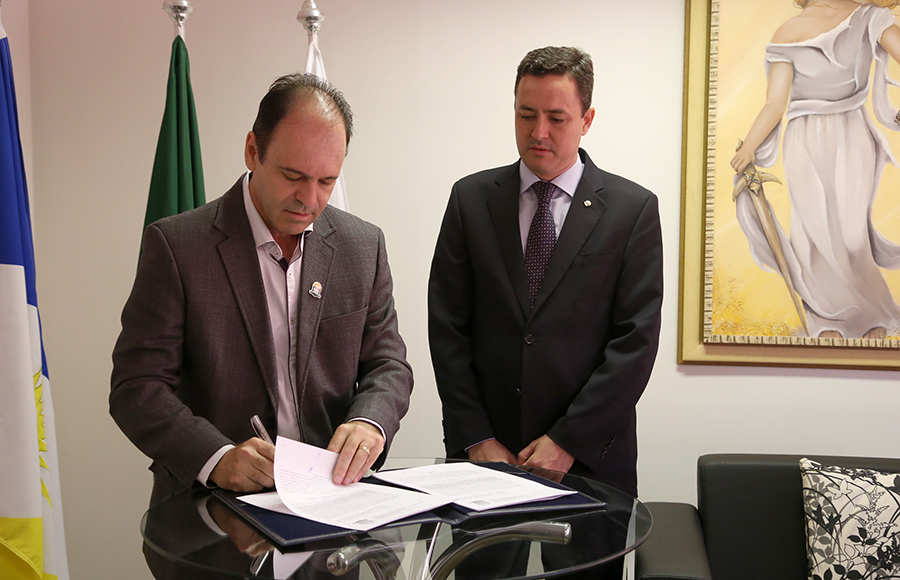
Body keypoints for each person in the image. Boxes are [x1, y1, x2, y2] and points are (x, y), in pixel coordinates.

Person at [110, 73, 413, 506]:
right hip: (214, 512)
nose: (309, 199)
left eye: (327, 181)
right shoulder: (178, 246)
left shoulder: (362, 246)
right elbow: (136, 386)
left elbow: (388, 364)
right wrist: (216, 458)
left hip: (332, 504)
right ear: (253, 150)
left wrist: (370, 422)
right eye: (293, 175)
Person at [428, 46, 663, 499]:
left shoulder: (632, 210)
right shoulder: (470, 199)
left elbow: (635, 343)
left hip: (590, 457)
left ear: (587, 119)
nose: (539, 132)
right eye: (525, 115)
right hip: (485, 457)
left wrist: (567, 440)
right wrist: (476, 436)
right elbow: (447, 328)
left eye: (556, 118)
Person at [731, 0, 900, 339]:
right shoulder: (787, 33)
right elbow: (775, 102)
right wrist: (749, 145)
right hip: (803, 138)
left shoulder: (871, 17)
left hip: (851, 132)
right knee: (812, 236)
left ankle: (870, 319)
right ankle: (827, 325)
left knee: (852, 237)